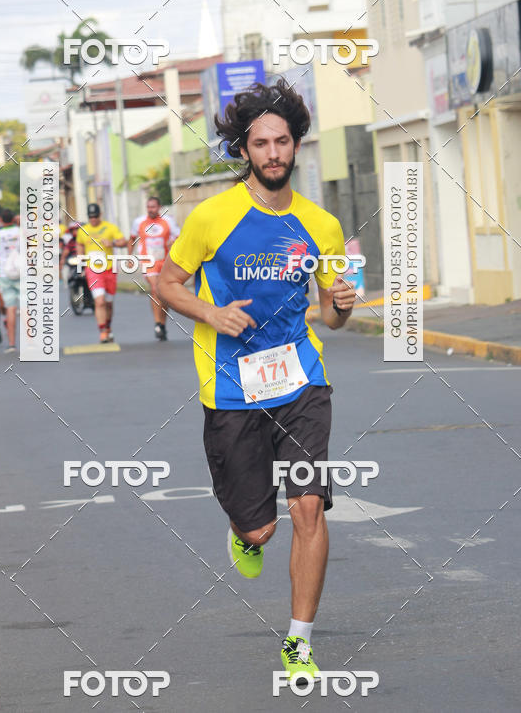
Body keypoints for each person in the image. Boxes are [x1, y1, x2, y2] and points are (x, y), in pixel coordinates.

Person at [158, 79, 356, 681]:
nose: (273, 153)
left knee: (308, 510)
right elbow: (165, 282)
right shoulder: (212, 217)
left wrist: (342, 300)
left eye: (283, 142)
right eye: (261, 143)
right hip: (233, 389)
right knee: (262, 526)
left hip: (301, 382)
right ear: (244, 150)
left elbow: (332, 316)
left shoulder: (321, 226)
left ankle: (299, 643)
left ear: (297, 146)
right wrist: (211, 314)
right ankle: (245, 531)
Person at [129, 196, 179, 341]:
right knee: (156, 288)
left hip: (164, 261)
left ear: (159, 207)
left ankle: (162, 324)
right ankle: (157, 323)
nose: (151, 210)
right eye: (148, 207)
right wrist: (129, 257)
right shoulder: (138, 222)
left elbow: (180, 237)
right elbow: (132, 239)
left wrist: (173, 243)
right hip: (148, 261)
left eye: (153, 207)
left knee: (163, 293)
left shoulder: (168, 221)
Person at [76, 203, 127, 343]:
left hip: (109, 269)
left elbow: (123, 241)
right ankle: (103, 331)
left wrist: (113, 244)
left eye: (95, 216)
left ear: (100, 215)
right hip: (93, 270)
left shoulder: (110, 227)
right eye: (91, 217)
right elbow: (79, 244)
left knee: (109, 303)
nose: (93, 219)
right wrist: (80, 261)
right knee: (99, 301)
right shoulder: (83, 230)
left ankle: (108, 327)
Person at [0, 209, 21, 353]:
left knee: (10, 309)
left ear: (0, 220)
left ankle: (11, 344)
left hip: (5, 274)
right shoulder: (21, 231)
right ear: (13, 219)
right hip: (22, 271)